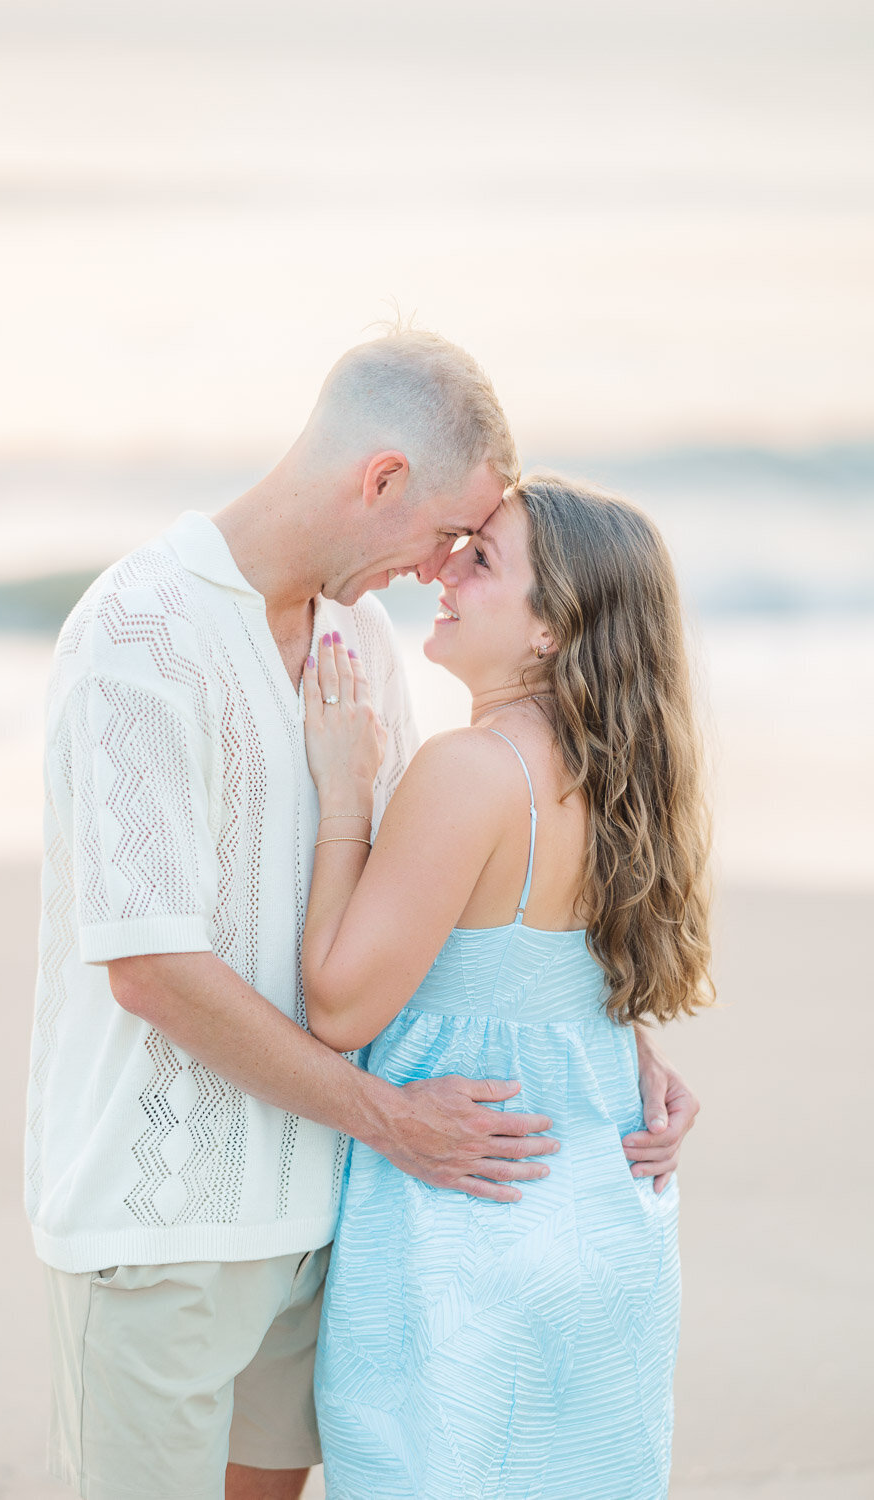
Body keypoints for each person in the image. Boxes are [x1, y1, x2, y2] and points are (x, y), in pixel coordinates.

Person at [26, 331, 699, 1500]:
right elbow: (148, 969)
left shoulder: (360, 640)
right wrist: (389, 1118)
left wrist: (611, 1032)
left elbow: (439, 906)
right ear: (381, 479)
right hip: (164, 1225)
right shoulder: (135, 632)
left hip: (322, 1214)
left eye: (473, 555)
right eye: (449, 534)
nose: (440, 568)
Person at [302, 471, 714, 1499]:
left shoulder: (471, 770)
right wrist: (645, 1062)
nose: (443, 568)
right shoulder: (625, 781)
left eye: (480, 560)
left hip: (464, 1239)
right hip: (604, 1232)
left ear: (549, 631)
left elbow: (339, 1007)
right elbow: (561, 990)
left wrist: (345, 797)